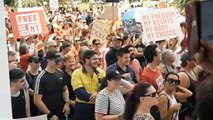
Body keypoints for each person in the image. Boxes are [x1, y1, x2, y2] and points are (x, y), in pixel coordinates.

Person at [34, 50, 70, 120]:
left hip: (61, 112)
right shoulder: (41, 77)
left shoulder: (60, 72)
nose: (59, 63)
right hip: (48, 115)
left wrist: (67, 103)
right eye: (56, 61)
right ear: (48, 61)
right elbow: (37, 101)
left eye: (59, 60)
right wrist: (50, 114)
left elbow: (65, 89)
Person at [71, 50, 105, 120]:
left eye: (98, 59)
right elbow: (80, 93)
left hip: (100, 108)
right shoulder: (77, 73)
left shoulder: (102, 73)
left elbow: (107, 89)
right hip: (83, 108)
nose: (98, 61)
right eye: (95, 59)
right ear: (86, 60)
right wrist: (99, 96)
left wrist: (97, 94)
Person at [177, 52, 197, 118]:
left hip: (194, 108)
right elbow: (181, 99)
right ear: (188, 61)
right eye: (194, 59)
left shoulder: (192, 71)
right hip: (189, 112)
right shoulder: (182, 75)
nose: (196, 60)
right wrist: (187, 114)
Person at [61, 54, 76, 119]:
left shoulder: (76, 73)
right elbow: (62, 92)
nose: (72, 63)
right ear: (64, 63)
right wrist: (71, 102)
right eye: (70, 62)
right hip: (69, 105)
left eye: (73, 61)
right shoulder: (62, 74)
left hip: (77, 103)